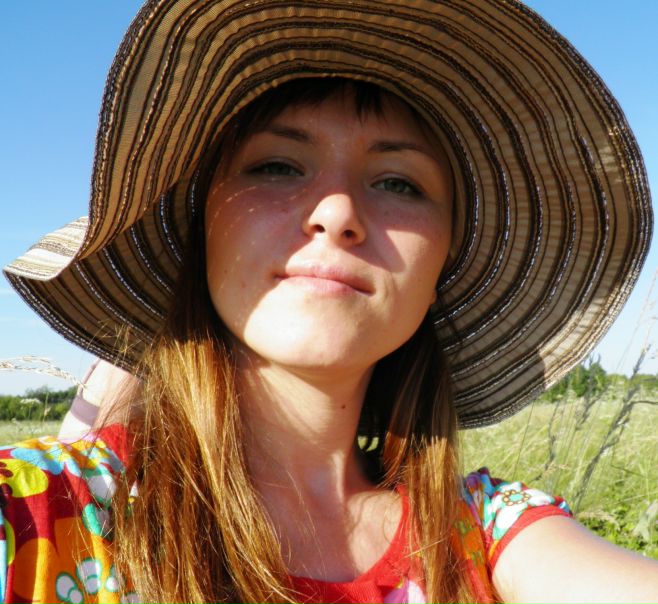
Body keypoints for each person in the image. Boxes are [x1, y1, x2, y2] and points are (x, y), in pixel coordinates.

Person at [2, 1, 657, 603]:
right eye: (277, 167)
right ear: (204, 229)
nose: (337, 212)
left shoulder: (485, 533)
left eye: (398, 182)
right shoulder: (41, 513)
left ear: (442, 267)